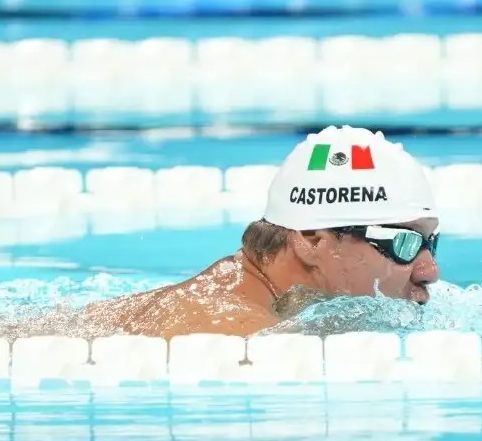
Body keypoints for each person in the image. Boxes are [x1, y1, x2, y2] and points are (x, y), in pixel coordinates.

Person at [81, 125, 441, 338]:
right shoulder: (229, 334)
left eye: (429, 244)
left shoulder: (249, 295)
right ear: (312, 240)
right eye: (402, 242)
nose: (429, 270)